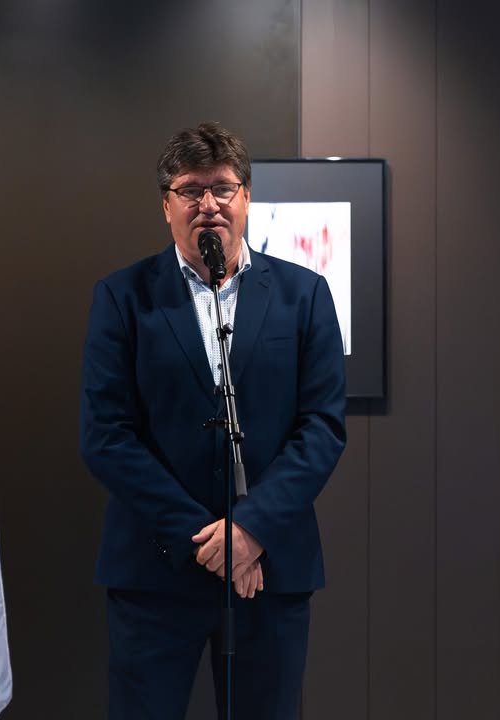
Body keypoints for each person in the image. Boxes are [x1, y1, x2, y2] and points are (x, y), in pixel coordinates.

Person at [79, 122, 346, 720]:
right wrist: (210, 541)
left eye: (222, 188)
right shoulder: (122, 297)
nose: (209, 204)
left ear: (246, 197)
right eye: (190, 190)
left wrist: (250, 531)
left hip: (268, 570)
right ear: (166, 205)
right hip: (155, 570)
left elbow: (322, 427)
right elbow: (105, 436)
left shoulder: (304, 295)